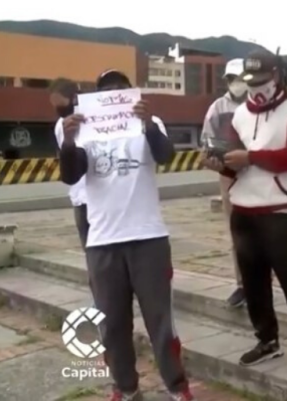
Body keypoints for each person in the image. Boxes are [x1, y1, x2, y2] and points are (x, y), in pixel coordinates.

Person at [59, 70, 193, 401]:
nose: (114, 94)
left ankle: (177, 386)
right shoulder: (85, 130)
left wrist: (147, 124)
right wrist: (68, 142)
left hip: (148, 238)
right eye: (106, 90)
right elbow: (70, 174)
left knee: (160, 322)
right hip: (102, 241)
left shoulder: (150, 123)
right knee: (112, 325)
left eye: (121, 89)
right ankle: (125, 386)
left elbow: (165, 155)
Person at [201, 50, 287, 372]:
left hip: (279, 210)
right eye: (249, 82)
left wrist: (251, 157)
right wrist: (218, 164)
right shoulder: (238, 115)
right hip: (243, 210)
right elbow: (235, 165)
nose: (255, 88)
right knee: (253, 281)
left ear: (276, 75)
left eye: (262, 81)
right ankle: (267, 339)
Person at [201, 58, 248, 308]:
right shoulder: (218, 107)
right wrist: (212, 159)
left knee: (264, 233)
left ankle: (263, 284)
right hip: (229, 176)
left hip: (259, 174)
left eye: (241, 78)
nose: (237, 84)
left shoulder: (257, 104)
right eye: (233, 79)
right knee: (237, 232)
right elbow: (206, 142)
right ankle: (242, 285)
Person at [49, 78, 89, 248]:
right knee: (90, 251)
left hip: (100, 198)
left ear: (74, 98)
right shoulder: (60, 126)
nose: (58, 109)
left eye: (61, 104)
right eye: (55, 106)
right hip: (79, 199)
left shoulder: (93, 118)